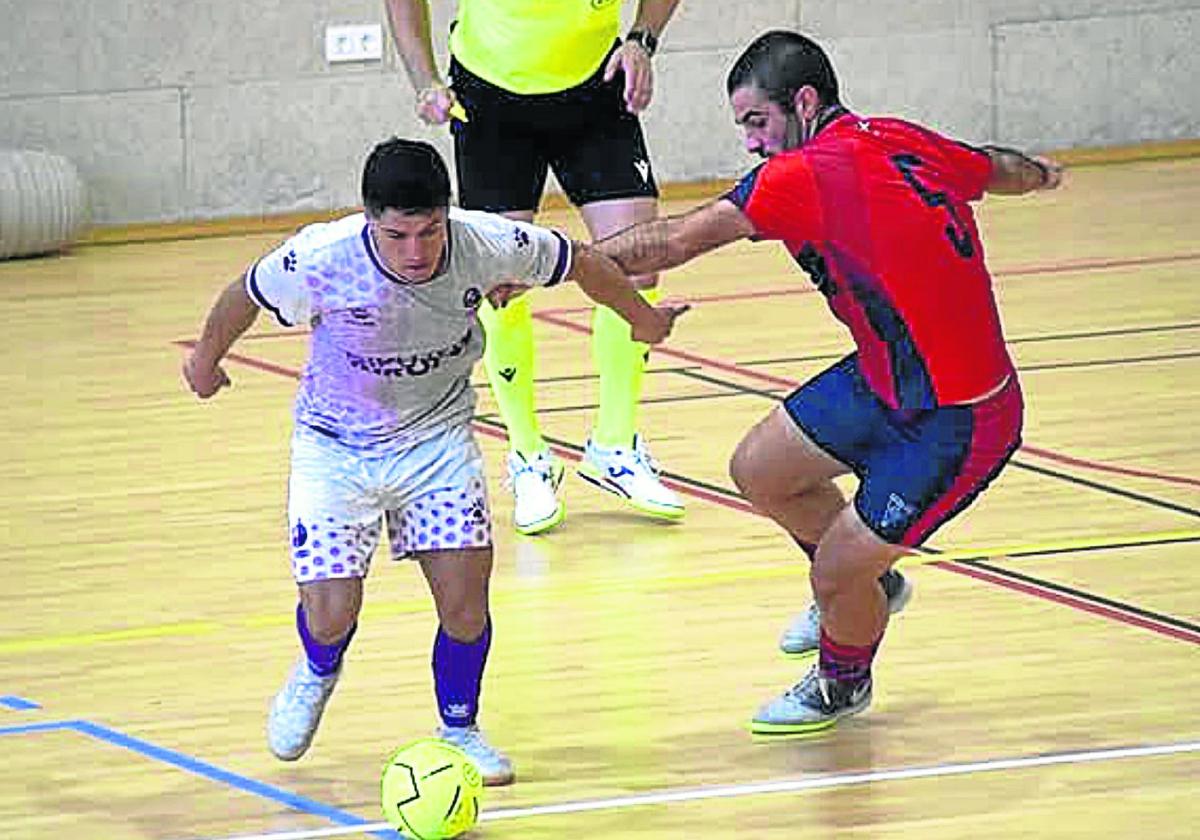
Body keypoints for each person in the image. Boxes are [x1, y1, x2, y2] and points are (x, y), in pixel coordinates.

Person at [594, 30, 1064, 735]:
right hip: (884, 378)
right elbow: (992, 167)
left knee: (835, 573)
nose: (751, 143)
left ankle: (843, 681)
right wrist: (1040, 174)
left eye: (758, 122)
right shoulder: (894, 136)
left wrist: (559, 261)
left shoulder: (805, 173)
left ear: (805, 102)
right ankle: (871, 586)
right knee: (759, 469)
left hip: (958, 422)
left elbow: (671, 242)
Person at [181, 138, 686, 782]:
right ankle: (316, 668)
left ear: (448, 214)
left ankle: (459, 727)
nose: (417, 252)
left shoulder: (486, 242)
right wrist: (204, 361)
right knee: (333, 614)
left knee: (466, 603)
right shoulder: (319, 258)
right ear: (369, 222)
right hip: (335, 448)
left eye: (429, 231)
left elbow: (583, 261)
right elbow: (243, 294)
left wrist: (641, 319)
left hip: (436, 443)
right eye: (397, 236)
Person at [385, 0, 686, 536]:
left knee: (639, 261)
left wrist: (643, 38)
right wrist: (425, 80)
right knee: (501, 282)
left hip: (597, 85)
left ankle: (615, 443)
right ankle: (528, 455)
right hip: (490, 98)